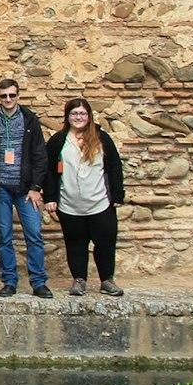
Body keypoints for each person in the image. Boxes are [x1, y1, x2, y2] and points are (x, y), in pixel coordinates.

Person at [44, 97, 126, 297]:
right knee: (75, 244)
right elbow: (49, 171)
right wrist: (50, 198)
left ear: (89, 116)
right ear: (67, 116)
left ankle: (107, 280)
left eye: (82, 113)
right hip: (70, 205)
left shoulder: (101, 138)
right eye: (74, 114)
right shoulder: (58, 140)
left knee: (105, 243)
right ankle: (79, 280)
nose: (78, 117)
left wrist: (116, 194)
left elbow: (115, 166)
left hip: (100, 203)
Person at [0, 78, 51, 298]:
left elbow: (40, 155)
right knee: (4, 236)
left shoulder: (30, 120)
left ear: (18, 95)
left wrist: (36, 187)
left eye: (12, 95)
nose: (8, 99)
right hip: (0, 188)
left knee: (34, 235)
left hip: (26, 188)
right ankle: (9, 281)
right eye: (3, 96)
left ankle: (38, 282)